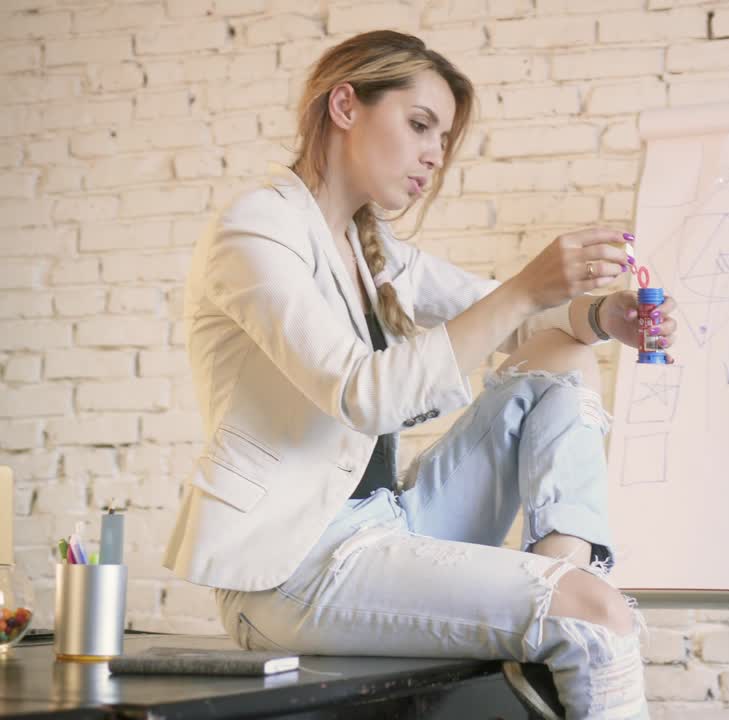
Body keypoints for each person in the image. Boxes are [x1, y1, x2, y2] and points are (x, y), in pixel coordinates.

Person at [162, 29, 678, 720]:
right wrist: (526, 290)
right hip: (295, 570)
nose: (434, 155)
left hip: (390, 525)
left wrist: (602, 316)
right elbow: (359, 392)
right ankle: (572, 602)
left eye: (443, 138)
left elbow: (521, 324)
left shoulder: (372, 251)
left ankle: (567, 577)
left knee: (563, 353)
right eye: (420, 125)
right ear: (345, 105)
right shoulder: (256, 231)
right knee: (599, 617)